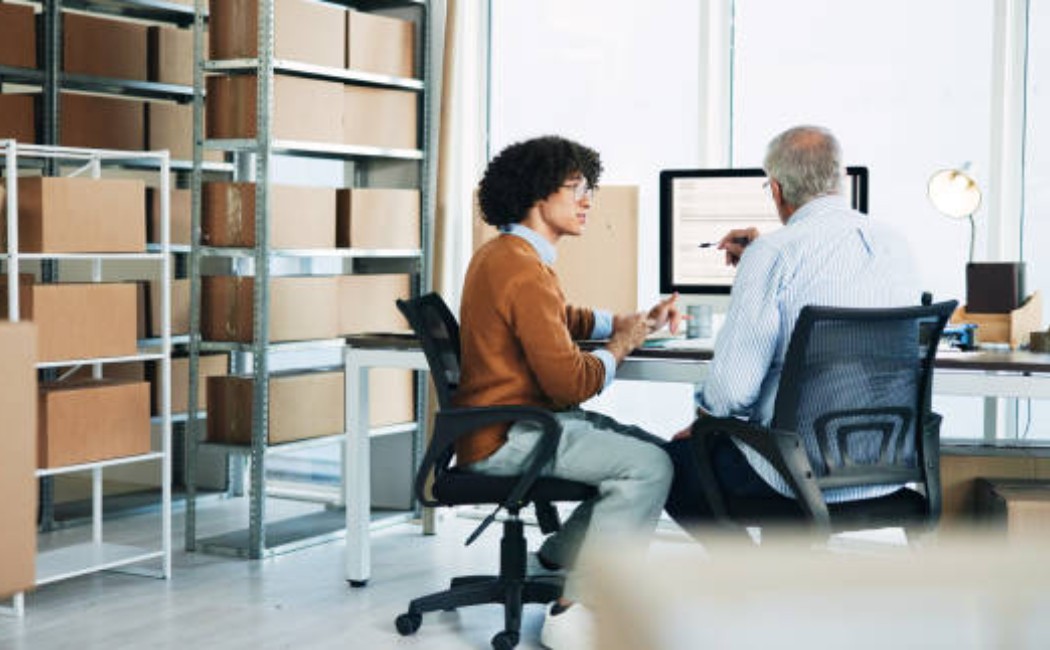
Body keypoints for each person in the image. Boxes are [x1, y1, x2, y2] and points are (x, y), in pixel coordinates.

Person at [456, 135, 680, 649]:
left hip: (503, 425)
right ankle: (574, 609)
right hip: (509, 434)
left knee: (647, 454)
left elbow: (560, 317)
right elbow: (571, 382)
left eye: (589, 190)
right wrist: (621, 345)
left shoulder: (508, 256)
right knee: (650, 466)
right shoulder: (522, 268)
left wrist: (628, 321)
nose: (587, 202)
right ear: (539, 193)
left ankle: (555, 560)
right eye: (576, 188)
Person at [663, 125, 921, 528]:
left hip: (791, 477)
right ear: (840, 179)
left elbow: (732, 393)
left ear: (777, 190)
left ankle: (747, 584)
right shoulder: (896, 245)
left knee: (671, 468)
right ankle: (780, 582)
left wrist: (705, 420)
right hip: (885, 470)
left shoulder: (773, 254)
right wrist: (767, 254)